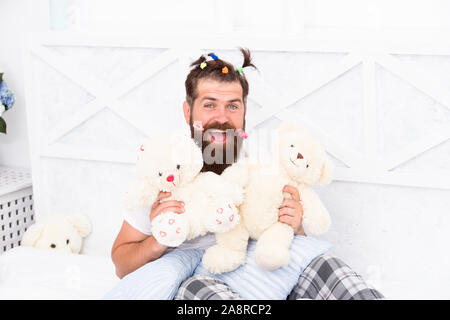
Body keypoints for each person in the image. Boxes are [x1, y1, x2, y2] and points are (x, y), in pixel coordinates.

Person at [109, 48, 384, 300]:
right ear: (187, 111)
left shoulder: (266, 160)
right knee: (199, 290)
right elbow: (121, 265)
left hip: (256, 271)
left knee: (327, 268)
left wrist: (295, 225)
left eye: (232, 105)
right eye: (209, 105)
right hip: (193, 279)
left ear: (244, 111)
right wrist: (159, 239)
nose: (222, 117)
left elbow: (290, 244)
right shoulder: (164, 167)